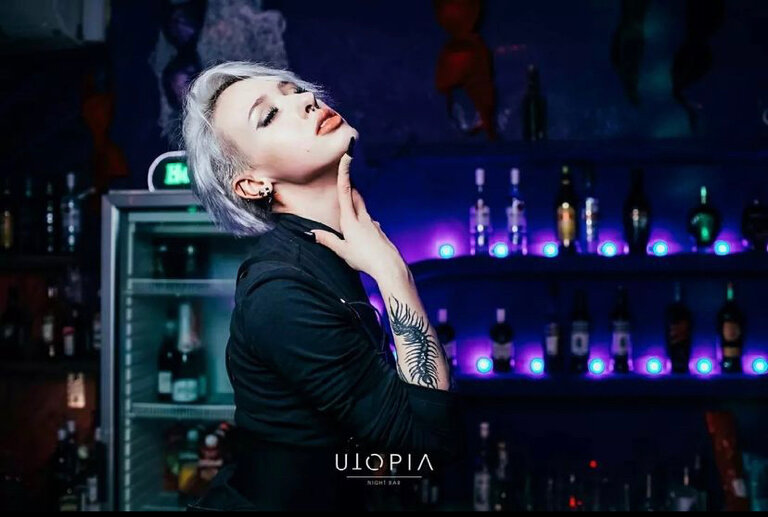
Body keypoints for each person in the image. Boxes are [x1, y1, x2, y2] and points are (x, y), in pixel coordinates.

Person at [182, 61, 460, 511]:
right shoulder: (279, 291)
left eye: (292, 91)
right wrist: (394, 275)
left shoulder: (330, 249)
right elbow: (426, 447)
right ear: (252, 183)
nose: (306, 100)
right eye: (268, 115)